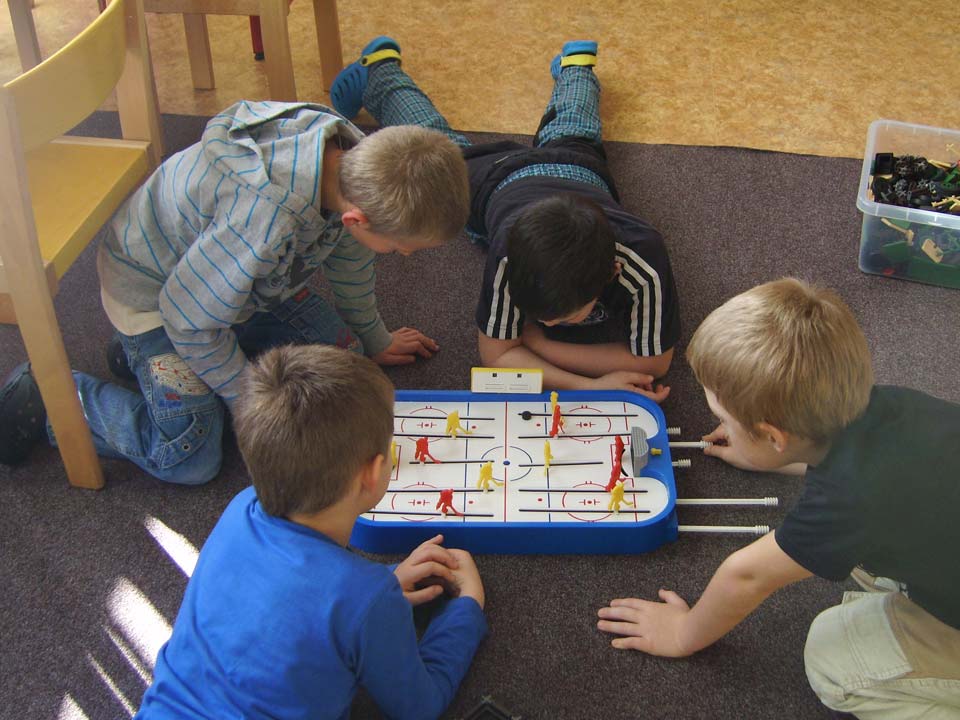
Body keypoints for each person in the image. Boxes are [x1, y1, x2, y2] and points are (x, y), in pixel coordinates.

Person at [0, 100, 468, 485]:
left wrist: (373, 336)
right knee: (190, 454)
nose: (405, 256)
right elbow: (189, 321)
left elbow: (351, 260)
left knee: (341, 359)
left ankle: (143, 361)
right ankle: (54, 395)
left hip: (233, 284)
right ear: (356, 219)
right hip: (158, 302)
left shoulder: (353, 159)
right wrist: (251, 407)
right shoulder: (262, 222)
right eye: (401, 248)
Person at [596, 278, 960, 718]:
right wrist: (768, 457)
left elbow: (747, 576)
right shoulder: (891, 405)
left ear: (773, 436)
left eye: (725, 420)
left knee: (832, 661)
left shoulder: (845, 503)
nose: (723, 428)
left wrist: (682, 633)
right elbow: (849, 458)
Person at [135, 344, 487, 720]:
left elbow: (295, 596)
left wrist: (384, 587)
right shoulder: (364, 598)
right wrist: (467, 607)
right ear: (372, 473)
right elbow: (419, 706)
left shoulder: (241, 507)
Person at [330, 37, 677, 398]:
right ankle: (380, 75)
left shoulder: (645, 259)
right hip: (499, 181)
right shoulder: (512, 247)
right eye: (540, 317)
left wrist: (538, 344)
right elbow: (496, 355)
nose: (544, 323)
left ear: (612, 272)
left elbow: (654, 363)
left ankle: (577, 68)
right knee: (432, 155)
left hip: (577, 168)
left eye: (562, 319)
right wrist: (588, 382)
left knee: (574, 126)